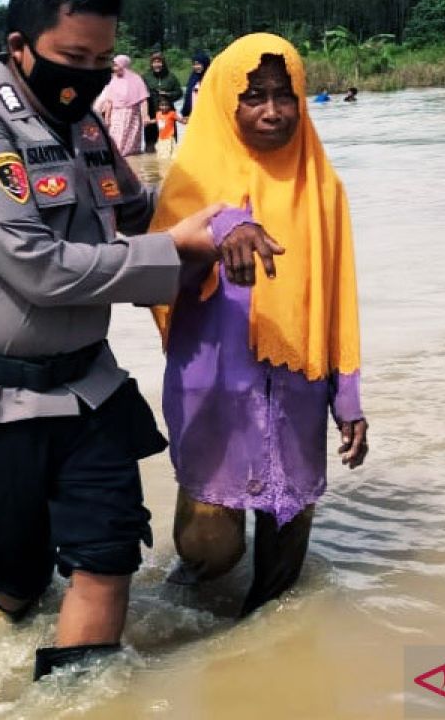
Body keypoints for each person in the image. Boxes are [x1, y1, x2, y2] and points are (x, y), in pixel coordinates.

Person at [0, 0, 222, 681]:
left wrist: (232, 208)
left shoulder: (85, 128)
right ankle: (7, 616)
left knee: (106, 559)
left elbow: (143, 210)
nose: (88, 77)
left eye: (103, 60)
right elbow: (40, 269)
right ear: (19, 47)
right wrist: (174, 255)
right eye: (71, 57)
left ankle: (75, 701)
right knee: (16, 585)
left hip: (88, 391)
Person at [149, 33, 369, 617]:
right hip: (214, 388)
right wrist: (219, 230)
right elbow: (150, 280)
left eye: (285, 94)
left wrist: (346, 397)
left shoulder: (323, 186)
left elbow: (338, 295)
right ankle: (172, 641)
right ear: (225, 101)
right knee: (208, 551)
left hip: (297, 388)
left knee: (281, 580)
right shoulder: (190, 185)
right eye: (254, 97)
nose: (273, 111)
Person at [98, 54, 149, 155]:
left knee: (131, 146)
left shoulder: (136, 79)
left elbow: (143, 99)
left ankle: (132, 165)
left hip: (132, 115)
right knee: (116, 142)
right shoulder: (113, 80)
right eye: (114, 65)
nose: (114, 68)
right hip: (116, 115)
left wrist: (145, 115)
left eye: (116, 65)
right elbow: (109, 100)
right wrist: (107, 118)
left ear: (124, 65)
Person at [142, 51, 182, 152]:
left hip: (168, 115)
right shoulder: (146, 77)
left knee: (169, 146)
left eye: (159, 62)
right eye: (154, 62)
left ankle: (168, 166)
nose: (157, 64)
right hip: (151, 114)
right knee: (151, 147)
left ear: (163, 63)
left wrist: (168, 95)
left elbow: (179, 93)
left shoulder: (171, 77)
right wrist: (143, 114)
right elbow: (140, 95)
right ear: (151, 64)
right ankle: (151, 166)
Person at [180, 51, 211, 118]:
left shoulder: (211, 78)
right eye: (194, 64)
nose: (196, 67)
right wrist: (186, 113)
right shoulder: (193, 78)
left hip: (208, 114)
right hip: (193, 115)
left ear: (205, 64)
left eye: (198, 64)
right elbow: (188, 96)